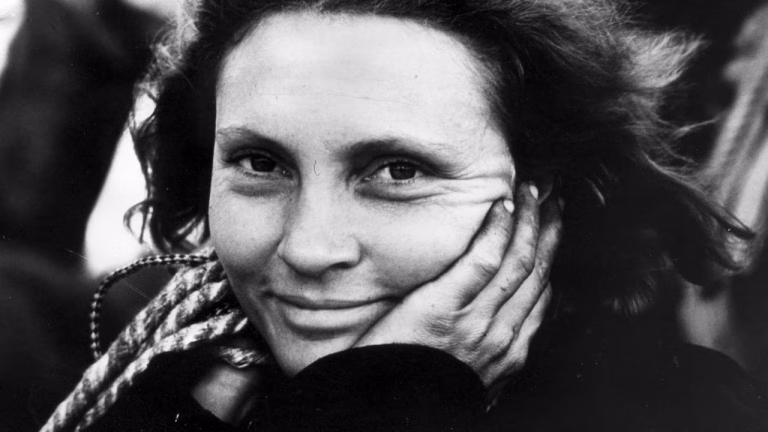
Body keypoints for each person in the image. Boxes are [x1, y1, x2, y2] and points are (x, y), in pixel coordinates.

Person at [42, 0, 768, 431]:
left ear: (543, 195)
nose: (308, 248)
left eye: (399, 172)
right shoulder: (176, 383)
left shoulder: (684, 412)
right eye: (261, 163)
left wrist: (379, 400)